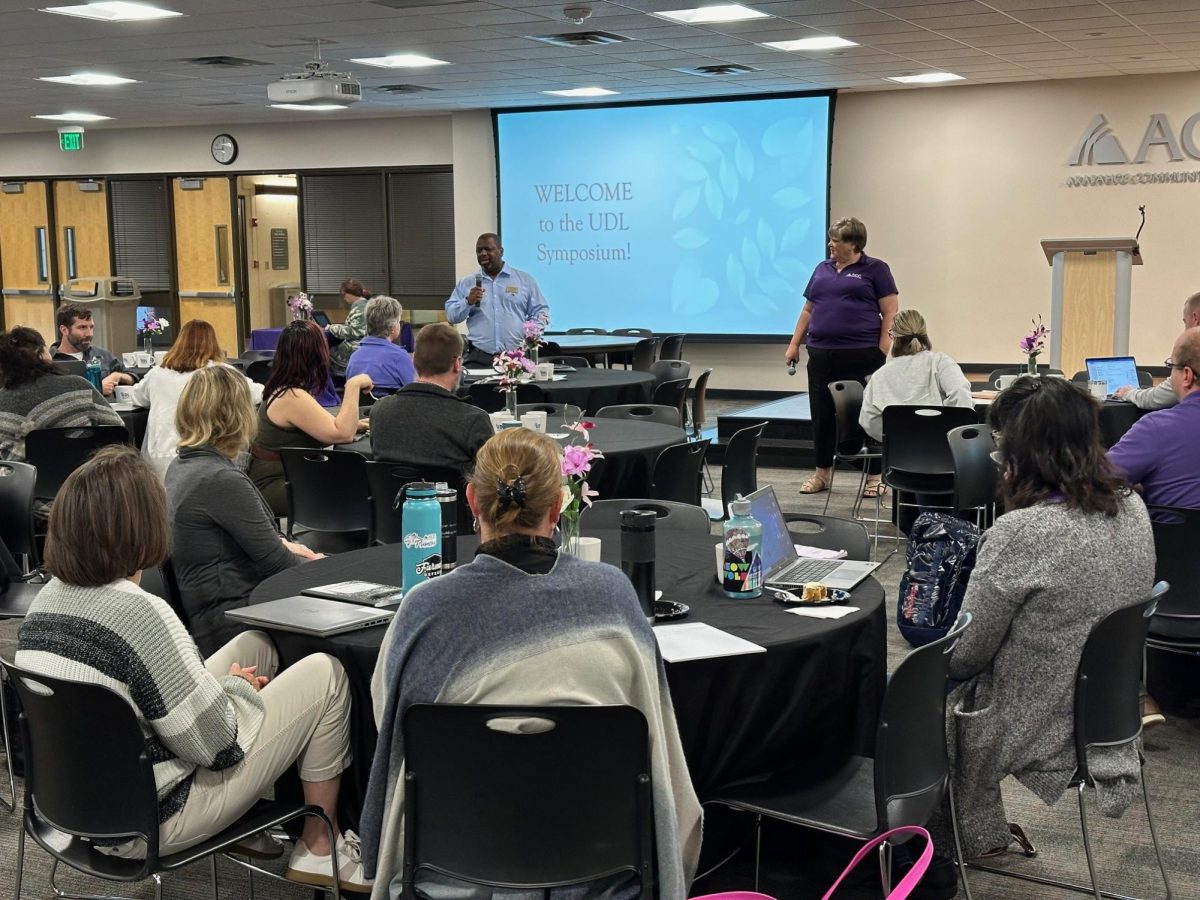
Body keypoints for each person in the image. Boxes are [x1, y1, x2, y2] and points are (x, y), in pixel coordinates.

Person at [360, 428, 701, 900]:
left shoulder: (422, 611)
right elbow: (656, 738)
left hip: (453, 869)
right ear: (558, 508)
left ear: (471, 503)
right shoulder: (614, 597)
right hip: (598, 871)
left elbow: (390, 725)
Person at [14, 445, 370, 892]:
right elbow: (217, 747)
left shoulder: (44, 603)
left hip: (73, 807)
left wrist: (229, 691)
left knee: (256, 644)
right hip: (152, 818)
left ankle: (255, 824)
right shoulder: (140, 614)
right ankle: (319, 847)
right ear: (144, 525)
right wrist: (240, 694)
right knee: (326, 674)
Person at [936, 376, 1153, 866]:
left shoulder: (1024, 532)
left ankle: (927, 856)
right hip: (1107, 714)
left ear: (1020, 455)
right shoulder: (1134, 507)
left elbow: (965, 656)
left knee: (901, 701)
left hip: (1038, 720)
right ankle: (973, 836)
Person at [165, 366, 320, 655]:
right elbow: (280, 566)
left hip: (213, 617)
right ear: (237, 416)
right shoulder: (219, 479)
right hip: (239, 626)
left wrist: (282, 546)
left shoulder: (182, 467)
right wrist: (325, 567)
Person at [784, 217, 898, 495]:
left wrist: (883, 347)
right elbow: (808, 310)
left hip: (862, 355)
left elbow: (891, 311)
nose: (830, 245)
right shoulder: (822, 269)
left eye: (836, 240)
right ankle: (822, 474)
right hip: (821, 355)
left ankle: (874, 478)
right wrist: (794, 344)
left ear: (854, 243)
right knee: (821, 416)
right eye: (830, 239)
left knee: (865, 415)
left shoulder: (876, 269)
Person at [248, 320, 372, 517]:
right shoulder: (292, 396)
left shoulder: (286, 389)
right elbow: (343, 434)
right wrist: (353, 385)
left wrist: (354, 425)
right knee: (361, 483)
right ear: (317, 354)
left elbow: (324, 431)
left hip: (284, 477)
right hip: (275, 485)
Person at [130, 319, 263, 480]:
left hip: (157, 461)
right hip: (201, 461)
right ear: (213, 343)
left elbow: (136, 397)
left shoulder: (157, 373)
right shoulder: (221, 372)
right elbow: (259, 394)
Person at [858, 309, 972, 495]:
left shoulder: (880, 375)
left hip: (899, 464)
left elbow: (868, 420)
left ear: (892, 335)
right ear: (924, 333)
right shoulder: (940, 362)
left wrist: (894, 440)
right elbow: (960, 392)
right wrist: (951, 432)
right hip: (947, 460)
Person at [369, 322, 492, 474]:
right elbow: (491, 481)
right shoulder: (473, 421)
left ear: (413, 361)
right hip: (454, 497)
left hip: (392, 497)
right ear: (457, 364)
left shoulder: (380, 411)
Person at [1108, 326, 1200, 509]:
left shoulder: (1157, 428)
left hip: (1173, 538)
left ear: (1187, 376)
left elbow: (1095, 479)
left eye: (1171, 366)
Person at [0, 325, 123, 463]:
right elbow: (118, 431)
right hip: (85, 479)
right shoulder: (79, 387)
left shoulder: (2, 401)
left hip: (22, 482)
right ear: (42, 355)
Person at [445, 232, 550, 365]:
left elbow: (541, 311)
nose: (483, 253)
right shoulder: (467, 283)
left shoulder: (524, 280)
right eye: (479, 250)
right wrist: (467, 302)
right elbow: (451, 316)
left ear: (501, 251)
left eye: (488, 249)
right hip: (479, 357)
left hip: (515, 357)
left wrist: (531, 334)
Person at [1113, 290, 1200, 410]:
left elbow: (1159, 398)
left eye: (1185, 322)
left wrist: (1128, 393)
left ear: (1195, 318)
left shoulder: (1192, 348)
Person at [50, 302, 138, 396]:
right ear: (64, 330)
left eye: (91, 327)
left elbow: (133, 378)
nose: (89, 334)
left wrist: (117, 376)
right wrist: (97, 390)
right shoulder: (50, 362)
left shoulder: (102, 355)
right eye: (82, 327)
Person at [344, 295, 415, 393]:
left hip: (360, 408)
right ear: (393, 328)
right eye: (399, 321)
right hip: (392, 408)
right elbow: (414, 392)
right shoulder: (400, 357)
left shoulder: (354, 357)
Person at [327, 277, 371, 376]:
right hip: (363, 345)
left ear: (349, 293)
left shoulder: (360, 307)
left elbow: (355, 332)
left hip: (356, 347)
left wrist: (331, 328)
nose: (344, 298)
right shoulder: (364, 304)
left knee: (326, 353)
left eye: (344, 294)